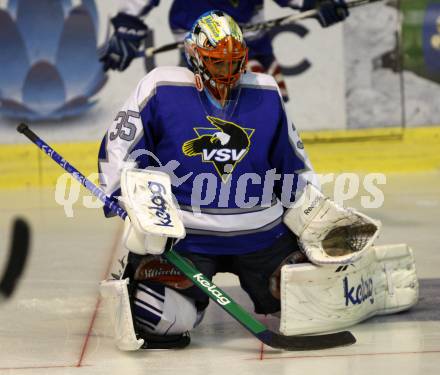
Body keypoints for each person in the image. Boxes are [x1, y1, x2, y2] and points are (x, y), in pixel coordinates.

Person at [98, 10, 319, 350]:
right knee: (158, 319)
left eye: (235, 62)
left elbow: (294, 166)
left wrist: (315, 216)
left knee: (312, 307)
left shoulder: (266, 91)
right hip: (187, 240)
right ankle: (165, 291)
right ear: (196, 59)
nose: (229, 73)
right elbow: (118, 146)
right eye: (218, 63)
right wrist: (124, 196)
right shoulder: (160, 86)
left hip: (262, 235)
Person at [99, 0, 349, 101]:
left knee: (266, 114)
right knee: (208, 112)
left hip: (251, 43)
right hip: (200, 40)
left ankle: (269, 190)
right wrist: (127, 25)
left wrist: (317, 2)